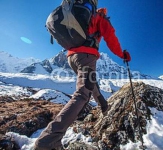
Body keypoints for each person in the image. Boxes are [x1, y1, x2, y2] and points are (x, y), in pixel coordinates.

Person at [34, 0, 131, 149]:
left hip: (72, 57)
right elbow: (111, 40)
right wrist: (122, 55)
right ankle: (47, 141)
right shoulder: (99, 17)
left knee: (91, 84)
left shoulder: (74, 11)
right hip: (86, 56)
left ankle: (104, 108)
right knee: (82, 94)